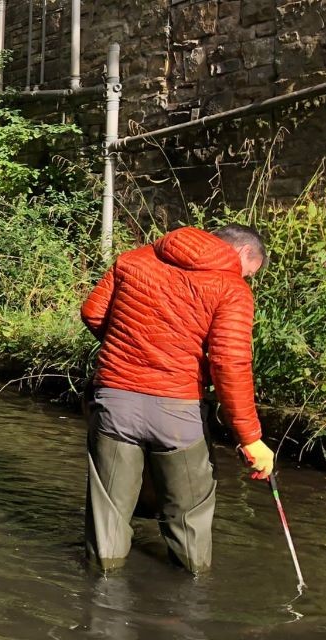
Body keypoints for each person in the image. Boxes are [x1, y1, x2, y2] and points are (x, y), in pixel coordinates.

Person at [80, 225, 274, 574]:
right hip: (178, 411)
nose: (246, 278)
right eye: (250, 272)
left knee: (108, 511)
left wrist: (130, 348)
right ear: (243, 253)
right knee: (189, 515)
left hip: (115, 403)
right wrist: (251, 438)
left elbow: (93, 313)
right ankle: (191, 597)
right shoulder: (231, 288)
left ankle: (101, 595)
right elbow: (229, 363)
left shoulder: (133, 260)